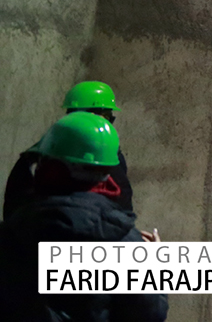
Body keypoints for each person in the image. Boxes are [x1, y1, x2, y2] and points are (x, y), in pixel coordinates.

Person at [0, 113, 169, 321]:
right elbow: (150, 315)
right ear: (107, 176)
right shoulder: (124, 242)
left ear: (50, 170)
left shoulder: (11, 234)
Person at [4, 80, 134, 220]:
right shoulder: (103, 153)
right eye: (107, 116)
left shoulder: (41, 152)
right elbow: (123, 205)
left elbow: (13, 206)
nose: (108, 123)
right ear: (91, 115)